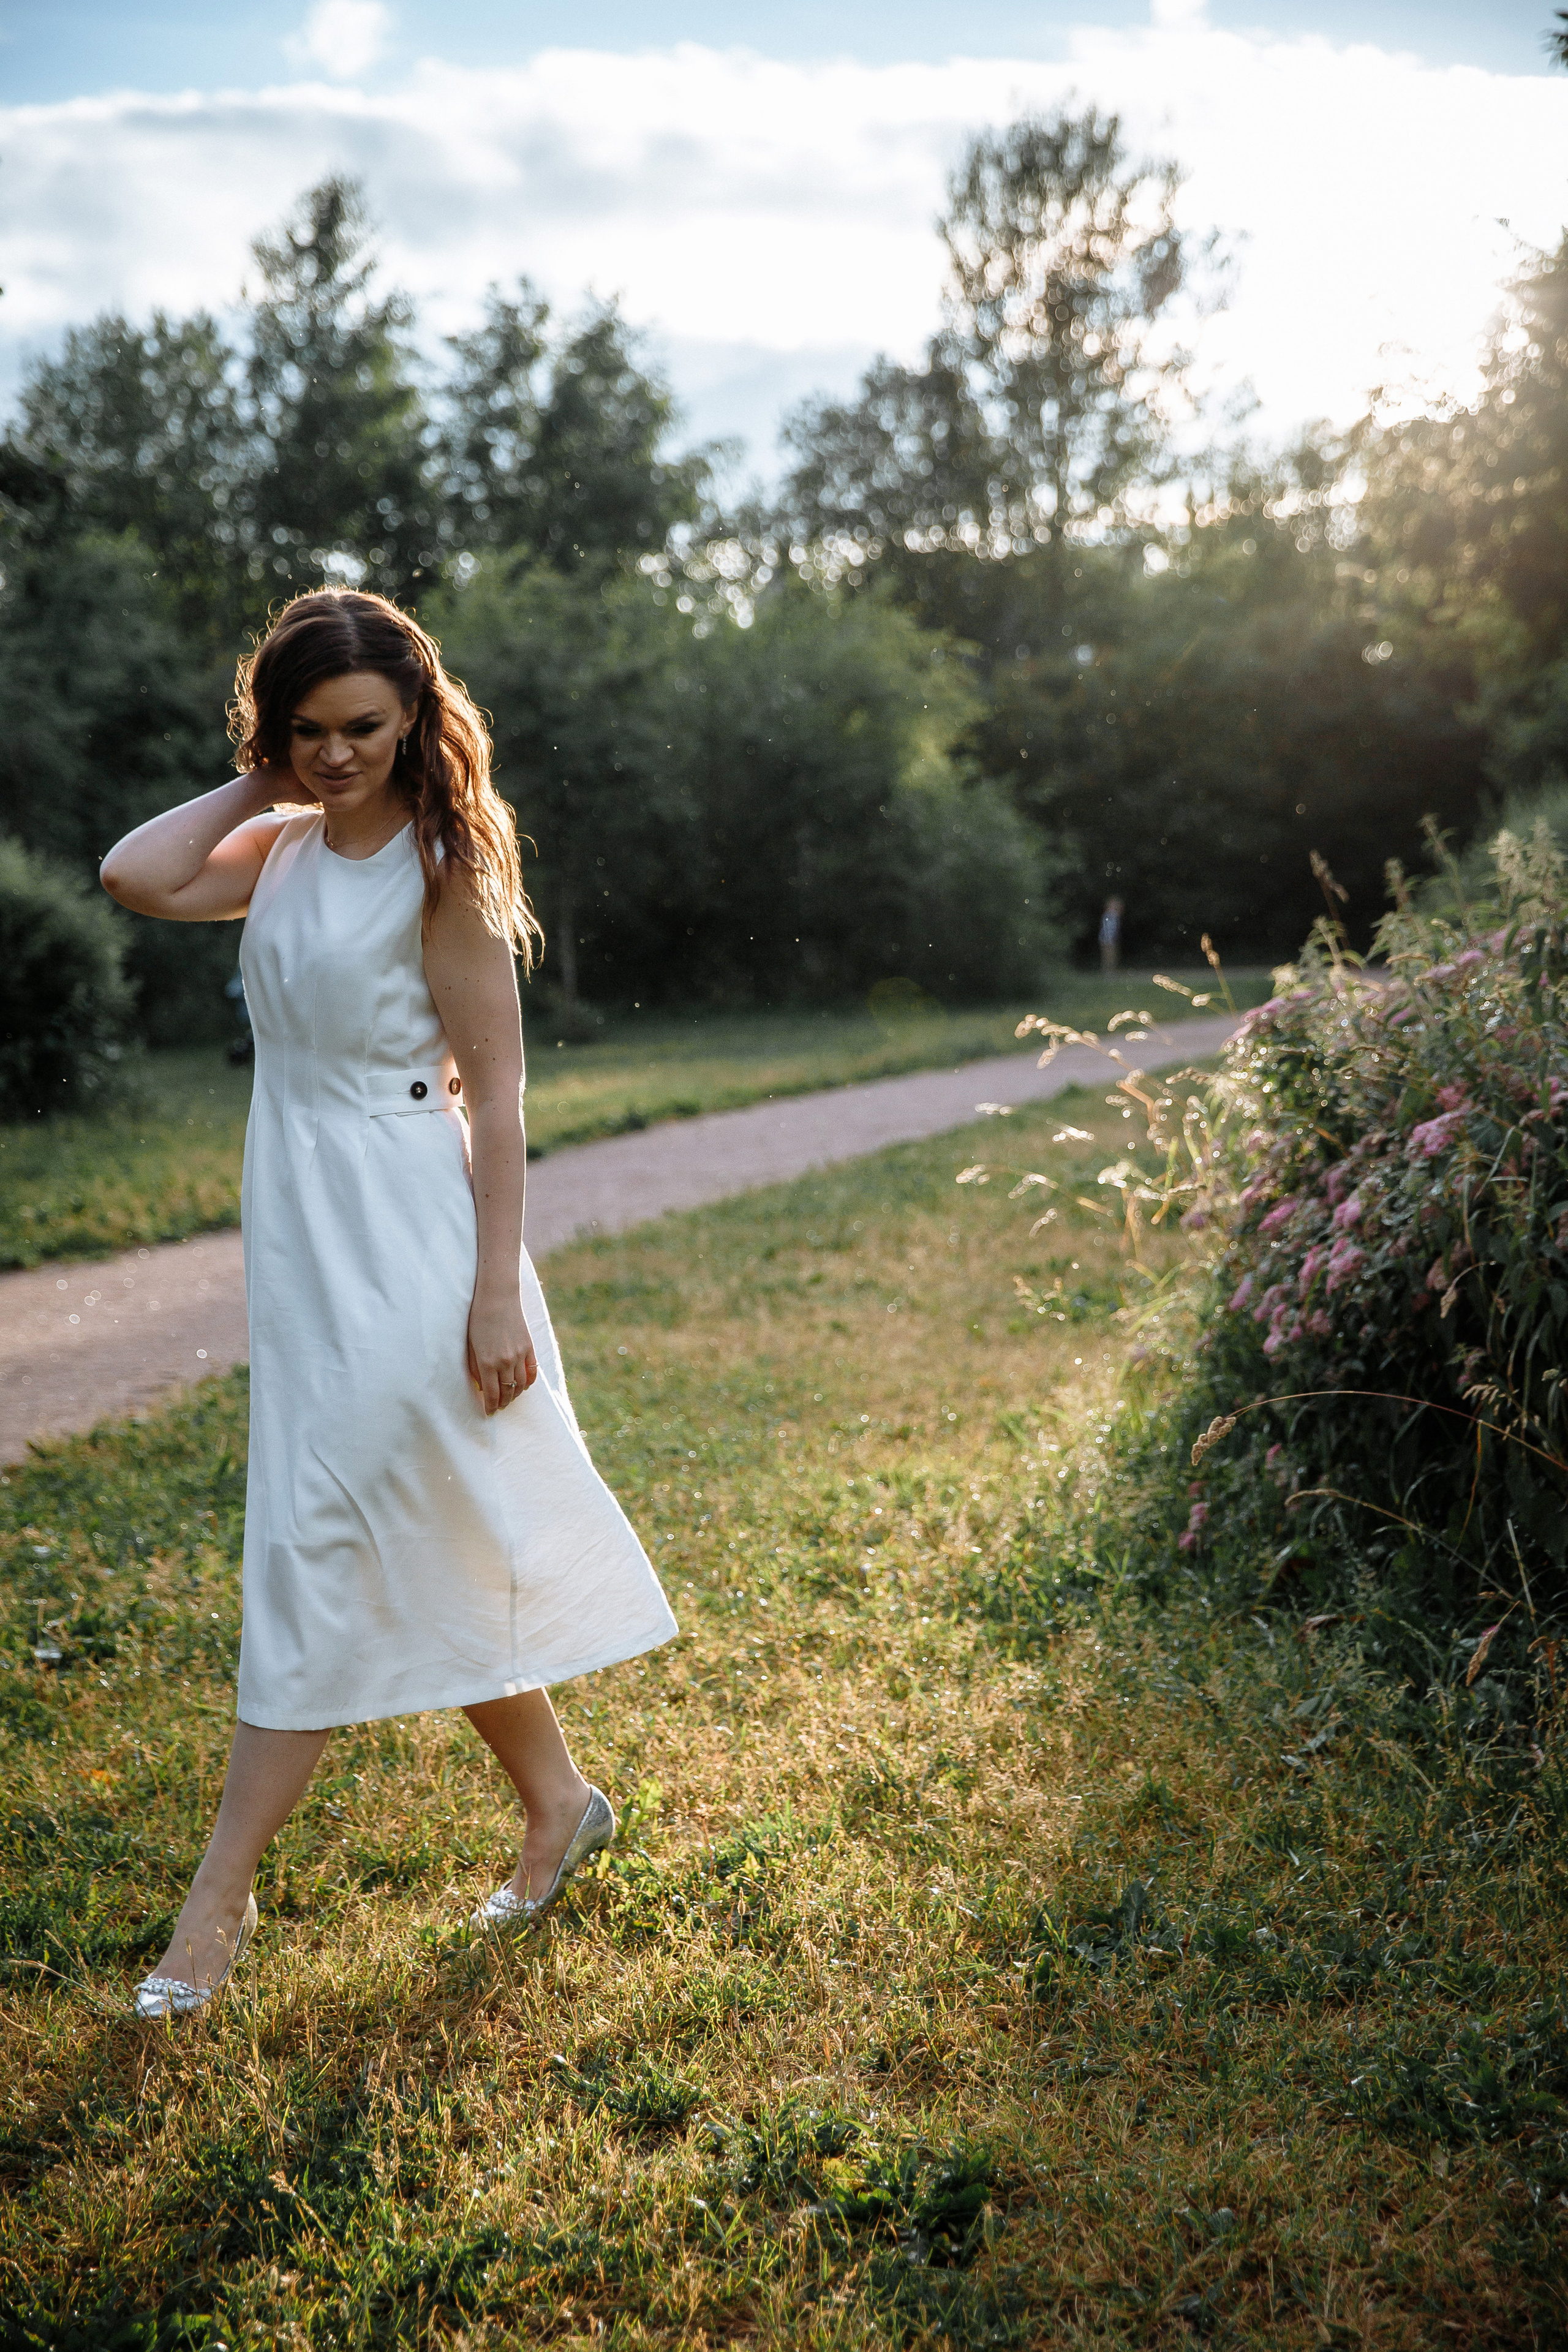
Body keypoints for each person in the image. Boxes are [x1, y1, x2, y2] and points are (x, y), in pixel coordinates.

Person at [100, 589, 677, 2020]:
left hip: (414, 1238)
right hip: (304, 1237)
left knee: (312, 1538)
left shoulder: (441, 873)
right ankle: (558, 1800)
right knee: (419, 1521)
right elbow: (134, 872)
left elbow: (501, 1108)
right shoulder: (280, 850)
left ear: (416, 717)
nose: (338, 751)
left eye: (361, 725)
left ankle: (213, 1904)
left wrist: (496, 1297)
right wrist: (261, 774)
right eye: (309, 730)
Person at [1098, 895, 1124, 974]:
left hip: (1112, 939)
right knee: (1107, 956)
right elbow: (1106, 928)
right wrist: (1108, 939)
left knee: (1112, 956)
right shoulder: (1108, 916)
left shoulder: (1115, 916)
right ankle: (1107, 972)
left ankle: (1111, 971)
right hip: (1106, 939)